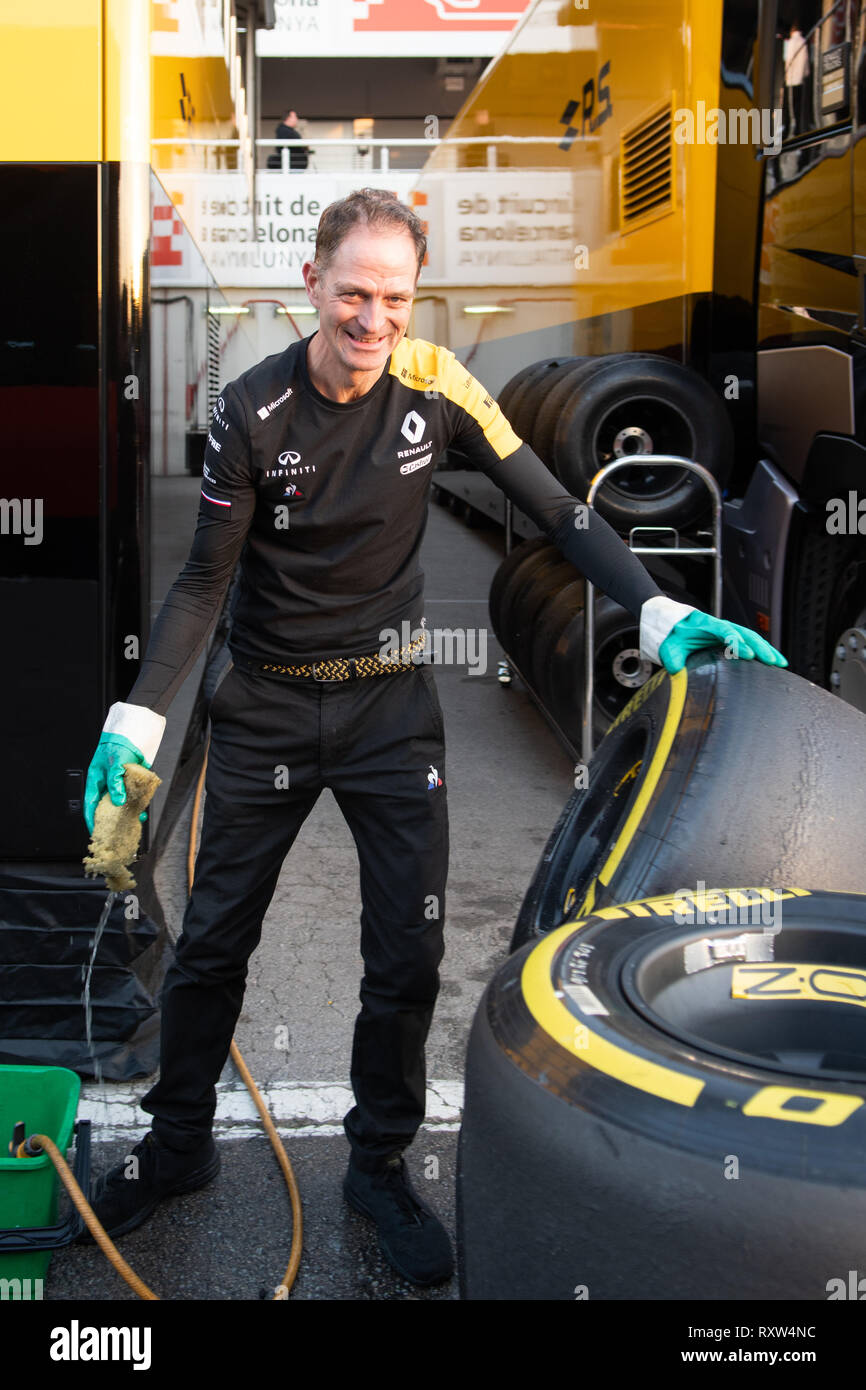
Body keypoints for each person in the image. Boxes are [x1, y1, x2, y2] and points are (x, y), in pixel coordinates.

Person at [82, 188, 785, 1287]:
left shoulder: (435, 385)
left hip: (386, 709)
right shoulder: (250, 414)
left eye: (395, 298)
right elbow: (198, 587)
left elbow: (558, 510)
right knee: (212, 942)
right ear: (310, 285)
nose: (372, 319)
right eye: (353, 292)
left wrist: (654, 608)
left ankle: (376, 1164)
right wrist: (137, 721)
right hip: (264, 703)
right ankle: (176, 1151)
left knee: (406, 952)